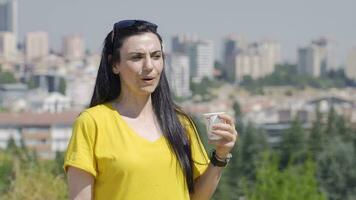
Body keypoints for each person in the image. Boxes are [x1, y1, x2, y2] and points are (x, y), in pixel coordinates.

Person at [63, 19, 238, 200]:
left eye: (156, 56)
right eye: (137, 57)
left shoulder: (180, 123)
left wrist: (221, 155)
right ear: (114, 64)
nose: (149, 66)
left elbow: (198, 197)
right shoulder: (92, 123)